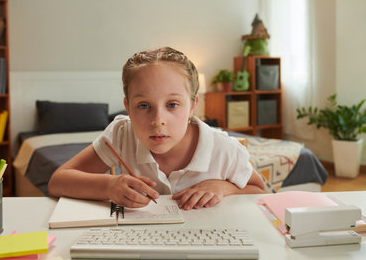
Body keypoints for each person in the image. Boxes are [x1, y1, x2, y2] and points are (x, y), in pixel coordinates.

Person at [48, 47, 264, 210]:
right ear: (128, 108)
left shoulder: (223, 148)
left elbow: (258, 189)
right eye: (143, 106)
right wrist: (109, 186)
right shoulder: (121, 134)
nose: (158, 120)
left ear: (193, 106)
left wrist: (224, 188)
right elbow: (58, 182)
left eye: (172, 105)